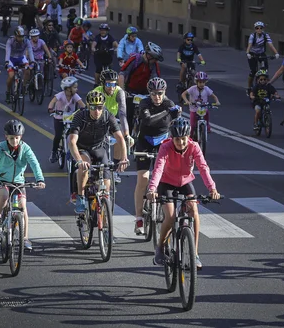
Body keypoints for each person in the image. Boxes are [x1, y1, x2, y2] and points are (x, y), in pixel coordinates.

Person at [147, 117, 221, 269]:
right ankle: (160, 248)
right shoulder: (165, 147)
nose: (181, 143)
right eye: (177, 139)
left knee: (194, 210)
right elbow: (158, 168)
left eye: (183, 139)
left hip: (185, 182)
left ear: (188, 137)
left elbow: (203, 167)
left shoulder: (194, 147)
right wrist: (152, 188)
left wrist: (212, 188)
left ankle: (195, 253)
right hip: (166, 183)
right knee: (171, 216)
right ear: (172, 138)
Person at [0, 120, 46, 251]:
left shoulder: (25, 148)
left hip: (19, 182)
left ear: (21, 137)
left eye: (17, 138)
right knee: (4, 196)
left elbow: (34, 163)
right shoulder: (1, 148)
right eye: (11, 138)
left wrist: (40, 179)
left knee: (23, 206)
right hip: (2, 180)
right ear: (6, 137)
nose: (14, 141)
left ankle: (25, 238)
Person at [67, 91, 130, 214]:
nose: (97, 111)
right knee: (85, 166)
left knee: (106, 184)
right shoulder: (80, 116)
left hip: (99, 148)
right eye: (93, 108)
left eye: (100, 107)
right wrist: (79, 160)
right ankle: (80, 196)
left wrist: (124, 157)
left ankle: (104, 220)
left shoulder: (108, 116)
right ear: (88, 106)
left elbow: (120, 138)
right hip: (82, 148)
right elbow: (72, 141)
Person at [132, 77, 181, 234]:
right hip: (145, 141)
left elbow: (177, 128)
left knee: (164, 177)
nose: (157, 97)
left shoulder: (169, 103)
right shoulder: (144, 103)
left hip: (162, 141)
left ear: (164, 92)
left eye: (160, 93)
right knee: (144, 178)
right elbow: (148, 121)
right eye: (153, 94)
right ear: (149, 93)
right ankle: (139, 218)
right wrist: (167, 112)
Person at [93, 69, 131, 183]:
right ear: (103, 83)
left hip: (113, 119)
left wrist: (127, 134)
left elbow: (123, 113)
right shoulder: (97, 91)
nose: (111, 87)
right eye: (108, 84)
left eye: (114, 84)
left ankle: (114, 169)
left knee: (120, 138)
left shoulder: (119, 92)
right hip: (98, 120)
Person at [120, 42, 164, 130]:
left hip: (145, 91)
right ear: (149, 56)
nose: (155, 61)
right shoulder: (135, 59)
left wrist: (155, 94)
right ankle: (126, 136)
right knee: (128, 115)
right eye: (154, 59)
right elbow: (122, 74)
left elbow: (155, 80)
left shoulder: (154, 65)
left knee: (147, 115)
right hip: (130, 90)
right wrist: (122, 91)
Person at [47, 76, 85, 163]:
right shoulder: (60, 95)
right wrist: (50, 108)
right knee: (58, 135)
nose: (77, 89)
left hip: (71, 118)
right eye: (74, 87)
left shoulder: (75, 96)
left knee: (75, 134)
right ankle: (54, 152)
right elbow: (52, 102)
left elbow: (82, 104)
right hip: (59, 118)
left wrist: (84, 109)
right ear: (68, 89)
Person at [181, 71, 220, 139]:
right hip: (194, 109)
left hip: (203, 108)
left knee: (206, 114)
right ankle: (189, 138)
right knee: (192, 125)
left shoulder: (206, 89)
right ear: (196, 82)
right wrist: (187, 101)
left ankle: (207, 126)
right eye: (200, 82)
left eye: (203, 82)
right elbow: (183, 94)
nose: (202, 84)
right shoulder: (193, 88)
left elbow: (214, 96)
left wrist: (217, 101)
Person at [245, 21, 279, 93]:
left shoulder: (265, 35)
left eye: (261, 28)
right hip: (252, 53)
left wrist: (276, 53)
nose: (259, 29)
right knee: (253, 71)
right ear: (255, 29)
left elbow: (270, 44)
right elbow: (249, 45)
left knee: (264, 70)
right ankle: (248, 87)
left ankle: (267, 85)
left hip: (261, 53)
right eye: (257, 28)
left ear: (263, 29)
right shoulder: (252, 36)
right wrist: (247, 53)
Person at [4, 26, 35, 102]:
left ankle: (23, 87)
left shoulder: (26, 41)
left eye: (22, 36)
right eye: (19, 37)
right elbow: (7, 51)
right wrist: (7, 62)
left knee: (27, 70)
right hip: (11, 58)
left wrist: (32, 61)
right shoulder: (10, 40)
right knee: (11, 76)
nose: (21, 38)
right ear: (15, 36)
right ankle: (8, 92)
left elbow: (30, 51)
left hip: (21, 58)